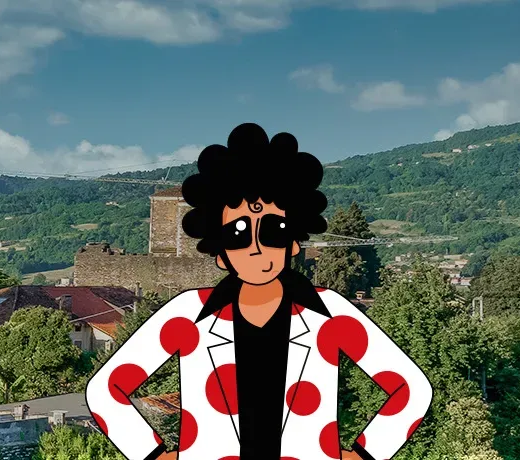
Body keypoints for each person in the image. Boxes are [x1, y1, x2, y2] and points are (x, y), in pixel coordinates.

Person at [84, 123, 431, 460]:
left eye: (273, 231)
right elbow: (105, 391)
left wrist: (364, 454)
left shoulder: (330, 313)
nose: (255, 247)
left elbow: (412, 389)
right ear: (220, 253)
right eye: (237, 234)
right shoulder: (187, 314)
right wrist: (154, 454)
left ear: (293, 243)